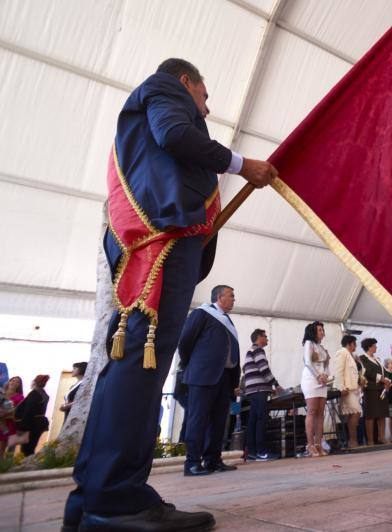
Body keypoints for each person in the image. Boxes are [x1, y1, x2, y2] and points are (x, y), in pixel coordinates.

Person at [62, 58, 276, 531]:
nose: (207, 107)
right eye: (204, 95)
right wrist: (242, 165)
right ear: (185, 82)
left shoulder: (149, 104)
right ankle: (118, 501)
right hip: (162, 246)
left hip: (153, 247)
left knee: (128, 368)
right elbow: (176, 135)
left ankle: (93, 496)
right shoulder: (164, 88)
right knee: (142, 366)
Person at [179, 285, 241, 476]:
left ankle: (213, 460)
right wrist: (193, 364)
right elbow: (185, 341)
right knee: (197, 419)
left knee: (219, 421)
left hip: (224, 377)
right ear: (220, 297)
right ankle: (192, 463)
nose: (234, 299)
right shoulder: (202, 314)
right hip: (202, 375)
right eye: (231, 296)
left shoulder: (227, 320)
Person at [242, 328, 283, 461]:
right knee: (261, 420)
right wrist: (275, 384)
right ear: (259, 337)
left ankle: (252, 452)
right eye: (265, 336)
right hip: (259, 389)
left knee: (253, 421)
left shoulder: (250, 350)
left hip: (253, 390)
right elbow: (264, 369)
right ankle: (261, 451)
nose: (267, 339)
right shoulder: (258, 350)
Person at [300, 321, 330, 457]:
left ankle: (318, 443)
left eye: (323, 330)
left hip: (322, 381)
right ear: (313, 332)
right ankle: (310, 444)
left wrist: (326, 375)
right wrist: (318, 376)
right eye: (319, 330)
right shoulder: (309, 343)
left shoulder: (322, 347)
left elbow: (326, 364)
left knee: (320, 413)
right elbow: (308, 362)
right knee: (312, 411)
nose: (322, 332)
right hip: (311, 379)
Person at [332, 335, 362, 449]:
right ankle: (352, 440)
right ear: (348, 344)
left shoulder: (352, 355)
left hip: (353, 389)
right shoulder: (342, 352)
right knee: (356, 412)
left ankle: (352, 441)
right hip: (346, 389)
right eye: (354, 344)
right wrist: (341, 387)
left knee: (353, 413)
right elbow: (338, 371)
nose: (356, 346)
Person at [359, 338, 390, 445]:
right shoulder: (363, 358)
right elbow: (367, 372)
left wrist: (387, 381)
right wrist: (382, 379)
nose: (376, 347)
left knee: (382, 414)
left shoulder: (377, 359)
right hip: (370, 390)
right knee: (371, 415)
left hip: (381, 389)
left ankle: (382, 437)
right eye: (374, 345)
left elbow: (384, 372)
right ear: (369, 347)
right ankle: (370, 440)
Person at [14, 375, 51, 456]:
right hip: (39, 424)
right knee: (31, 447)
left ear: (34, 382)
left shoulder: (35, 393)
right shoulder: (45, 394)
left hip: (32, 425)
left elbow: (29, 411)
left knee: (26, 449)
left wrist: (22, 428)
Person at [0, 376, 24, 457]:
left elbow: (18, 412)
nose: (14, 383)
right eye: (13, 380)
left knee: (2, 448)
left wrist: (5, 414)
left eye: (17, 382)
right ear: (9, 382)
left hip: (8, 424)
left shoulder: (20, 397)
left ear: (19, 385)